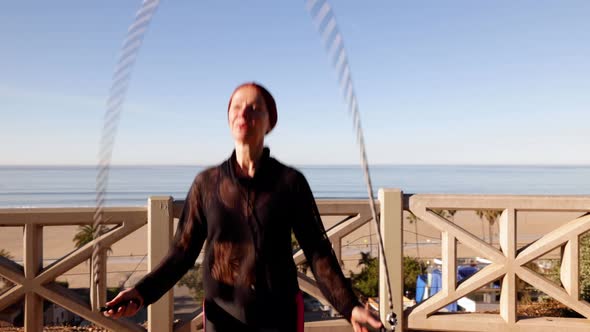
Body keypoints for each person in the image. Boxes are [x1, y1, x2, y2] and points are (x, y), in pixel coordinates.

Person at [104, 82, 382, 332]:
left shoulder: (290, 182)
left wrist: (350, 307)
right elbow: (182, 252)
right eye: (236, 106)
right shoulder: (206, 183)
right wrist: (141, 293)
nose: (243, 113)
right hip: (221, 316)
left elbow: (318, 251)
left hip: (280, 315)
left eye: (254, 108)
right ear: (228, 119)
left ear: (269, 122)